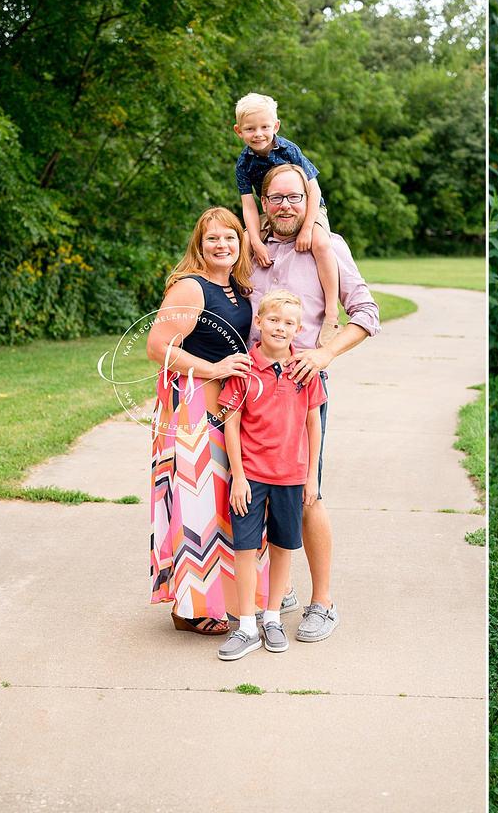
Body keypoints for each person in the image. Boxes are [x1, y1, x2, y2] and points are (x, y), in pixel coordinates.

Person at [249, 162, 381, 642]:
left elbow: (367, 312)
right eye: (277, 197)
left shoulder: (328, 246)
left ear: (309, 202)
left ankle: (322, 601)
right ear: (264, 203)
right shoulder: (251, 250)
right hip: (249, 389)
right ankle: (276, 589)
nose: (286, 205)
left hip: (299, 393)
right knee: (252, 492)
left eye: (295, 197)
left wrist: (323, 351)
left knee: (306, 493)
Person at [147, 207, 268, 634]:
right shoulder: (190, 287)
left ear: (241, 243)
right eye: (212, 238)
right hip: (193, 407)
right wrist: (213, 370)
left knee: (225, 503)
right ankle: (190, 608)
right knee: (195, 505)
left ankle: (225, 598)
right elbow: (158, 346)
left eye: (230, 238)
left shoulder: (238, 288)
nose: (222, 246)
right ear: (199, 244)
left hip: (229, 409)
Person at [216, 290, 326, 661]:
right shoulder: (244, 369)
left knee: (282, 548)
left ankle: (274, 618)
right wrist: (240, 476)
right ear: (259, 323)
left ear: (299, 329)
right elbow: (231, 427)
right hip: (251, 477)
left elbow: (315, 425)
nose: (280, 328)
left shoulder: (305, 371)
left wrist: (312, 476)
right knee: (246, 549)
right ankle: (247, 626)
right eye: (273, 320)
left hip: (292, 477)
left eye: (289, 323)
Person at [233, 92, 342, 345]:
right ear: (239, 131)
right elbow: (249, 206)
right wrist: (258, 243)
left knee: (322, 243)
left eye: (264, 127)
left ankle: (331, 313)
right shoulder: (243, 163)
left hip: (309, 207)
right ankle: (238, 311)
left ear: (276, 126)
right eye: (250, 129)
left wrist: (306, 229)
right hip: (270, 210)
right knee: (243, 242)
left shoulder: (289, 149)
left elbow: (314, 190)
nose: (258, 133)